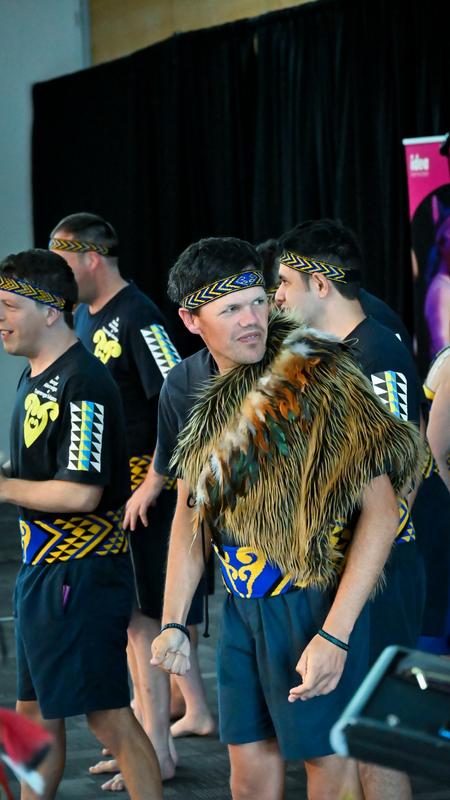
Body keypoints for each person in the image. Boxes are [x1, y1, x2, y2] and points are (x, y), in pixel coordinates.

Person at [149, 236, 420, 800]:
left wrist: (335, 635)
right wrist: (175, 618)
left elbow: (381, 511)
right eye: (230, 309)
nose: (252, 320)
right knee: (247, 777)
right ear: (190, 319)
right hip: (240, 606)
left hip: (315, 599)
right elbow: (190, 510)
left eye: (258, 300)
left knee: (329, 770)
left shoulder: (317, 371)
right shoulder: (182, 385)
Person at [49, 213, 213, 789]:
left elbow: (183, 397)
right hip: (127, 491)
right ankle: (188, 712)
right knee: (146, 619)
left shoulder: (138, 314)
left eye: (64, 261)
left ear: (91, 257)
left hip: (155, 490)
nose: (61, 276)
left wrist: (157, 481)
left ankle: (154, 749)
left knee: (145, 621)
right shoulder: (87, 315)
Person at [0, 249, 161, 800]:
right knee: (32, 711)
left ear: (50, 311)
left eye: (8, 306)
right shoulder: (34, 374)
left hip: (82, 573)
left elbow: (80, 492)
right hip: (42, 571)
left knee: (107, 717)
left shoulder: (84, 381)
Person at [275, 218, 425, 800]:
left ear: (321, 284)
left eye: (285, 282)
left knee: (372, 744)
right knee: (347, 740)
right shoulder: (333, 354)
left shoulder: (377, 355)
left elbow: (397, 481)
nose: (278, 296)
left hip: (383, 573)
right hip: (351, 569)